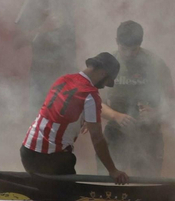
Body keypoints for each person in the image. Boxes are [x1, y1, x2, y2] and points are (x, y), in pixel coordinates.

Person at [22, 53, 129, 182]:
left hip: (28, 150)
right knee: (70, 193)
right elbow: (97, 138)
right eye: (107, 81)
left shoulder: (63, 79)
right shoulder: (90, 94)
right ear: (102, 73)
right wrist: (113, 170)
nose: (104, 86)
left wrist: (83, 120)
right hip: (51, 157)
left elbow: (59, 111)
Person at [103, 21, 174, 177]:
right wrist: (116, 115)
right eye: (124, 49)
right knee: (108, 180)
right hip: (116, 132)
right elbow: (96, 103)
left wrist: (156, 112)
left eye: (133, 49)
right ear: (116, 41)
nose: (128, 54)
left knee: (147, 182)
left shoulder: (155, 64)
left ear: (140, 44)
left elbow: (171, 101)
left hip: (148, 132)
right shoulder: (108, 64)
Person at [16, 0, 77, 107]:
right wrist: (43, 28)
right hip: (40, 77)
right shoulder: (33, 2)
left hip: (67, 78)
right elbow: (17, 40)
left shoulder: (72, 5)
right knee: (39, 115)